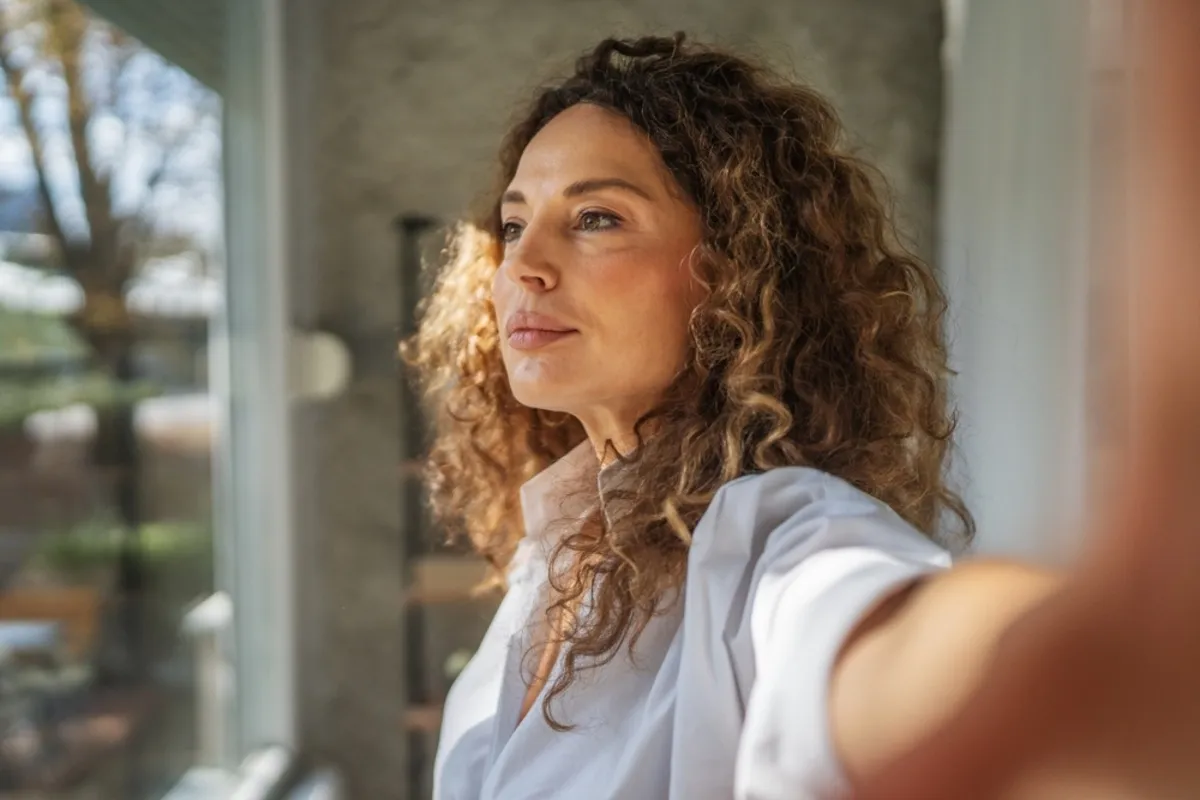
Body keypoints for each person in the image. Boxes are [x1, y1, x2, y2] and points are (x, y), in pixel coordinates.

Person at [407, 10, 1200, 798]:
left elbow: (894, 641)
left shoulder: (771, 538)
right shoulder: (550, 559)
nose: (525, 266)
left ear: (732, 273)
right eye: (514, 225)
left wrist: (1089, 646)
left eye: (596, 218)